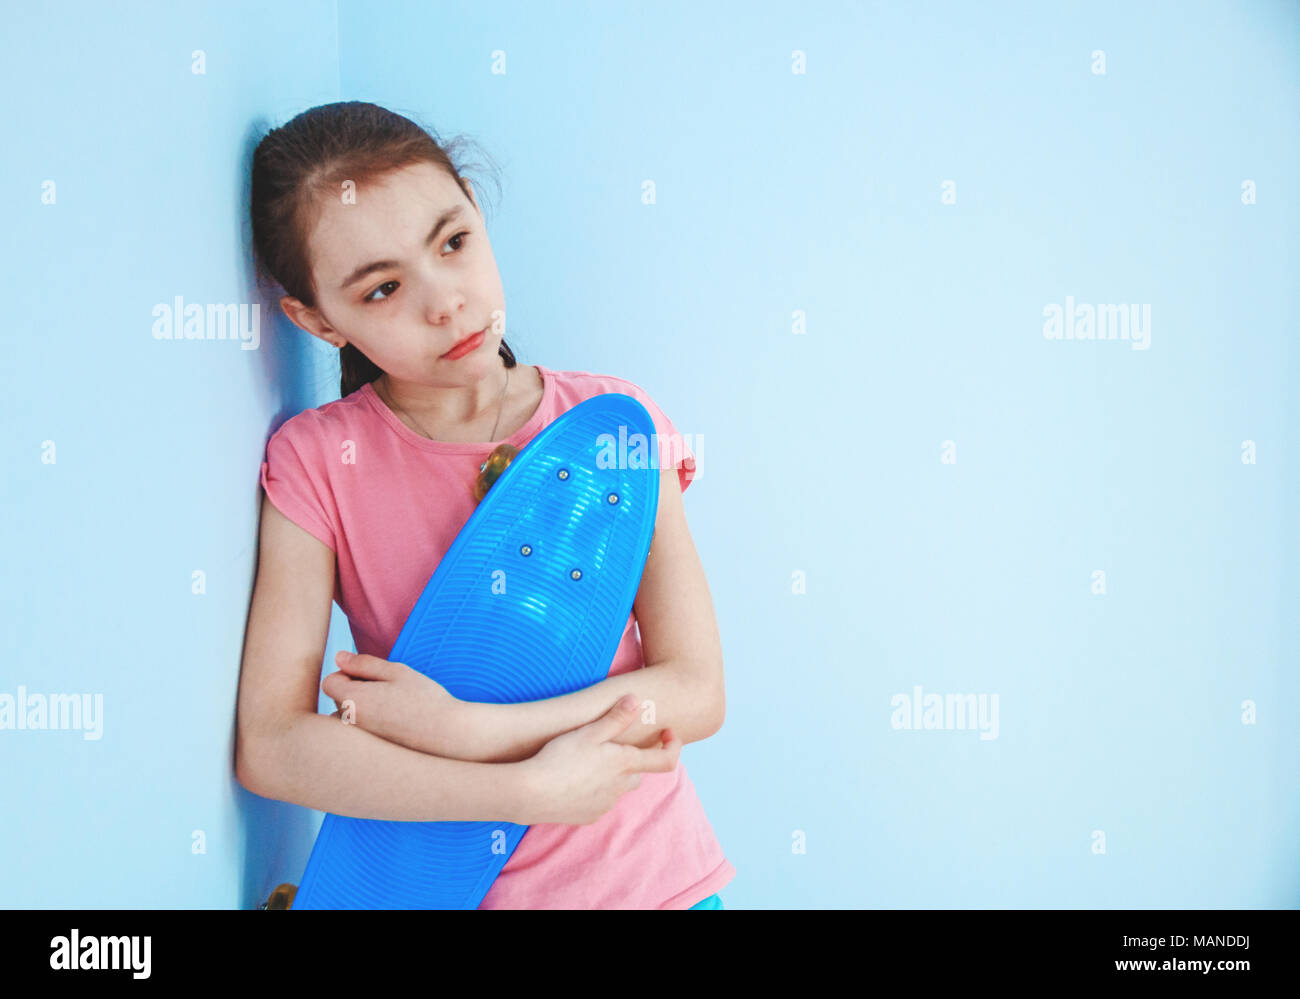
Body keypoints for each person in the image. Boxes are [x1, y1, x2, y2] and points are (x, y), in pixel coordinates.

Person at [234, 101, 732, 909]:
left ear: (473, 204)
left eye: (453, 242)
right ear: (316, 319)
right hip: (447, 890)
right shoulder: (319, 461)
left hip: (658, 887)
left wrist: (471, 732)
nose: (446, 303)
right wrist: (521, 792)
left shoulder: (610, 422)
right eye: (384, 287)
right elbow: (273, 744)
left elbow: (696, 687)